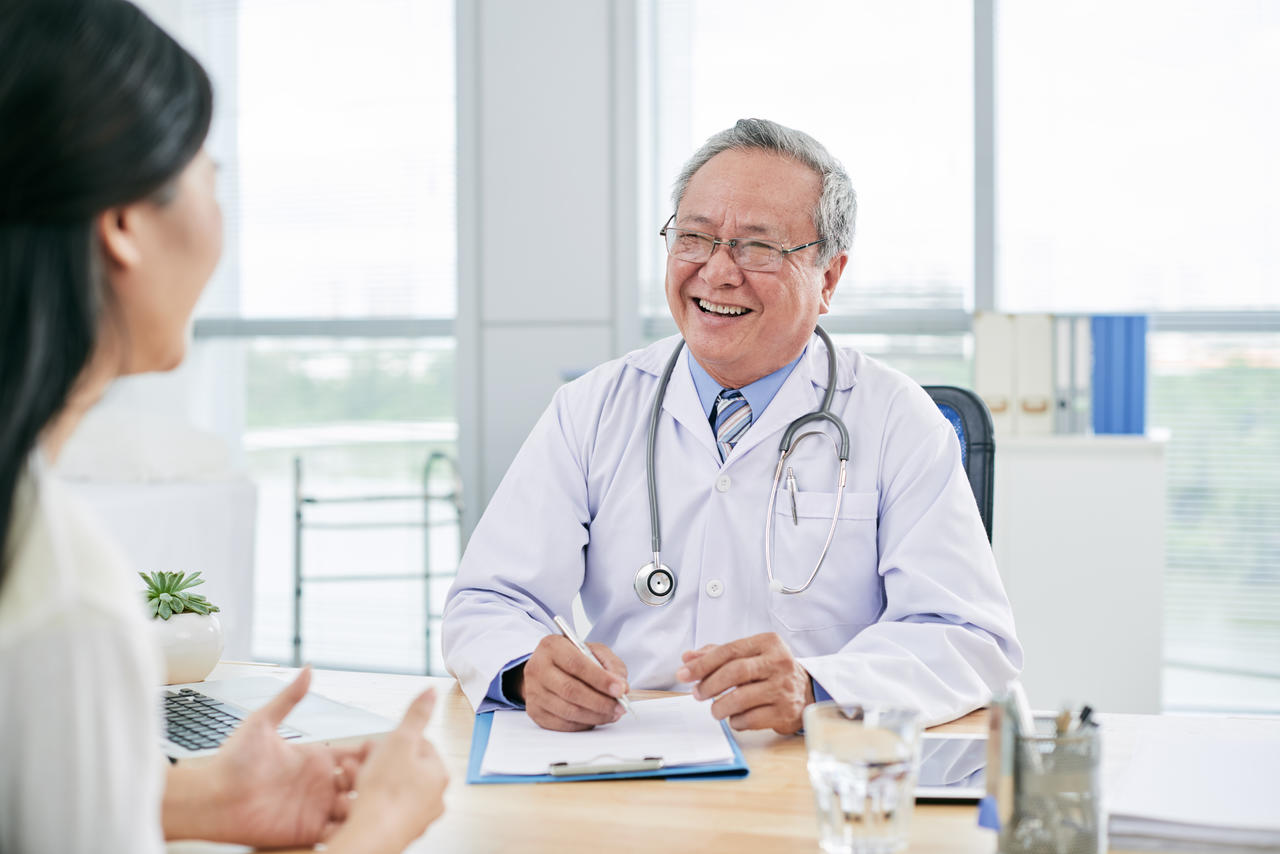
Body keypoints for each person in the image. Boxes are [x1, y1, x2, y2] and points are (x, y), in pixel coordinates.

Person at [0, 1, 447, 851]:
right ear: (126, 224)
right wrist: (381, 828)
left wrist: (198, 802)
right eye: (210, 175)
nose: (220, 219)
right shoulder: (58, 592)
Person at [443, 118, 1021, 734]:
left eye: (757, 246)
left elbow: (968, 638)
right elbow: (488, 601)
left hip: (814, 767)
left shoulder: (898, 419)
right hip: (628, 758)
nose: (718, 272)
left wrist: (818, 686)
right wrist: (526, 669)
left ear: (827, 278)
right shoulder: (591, 408)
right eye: (694, 238)